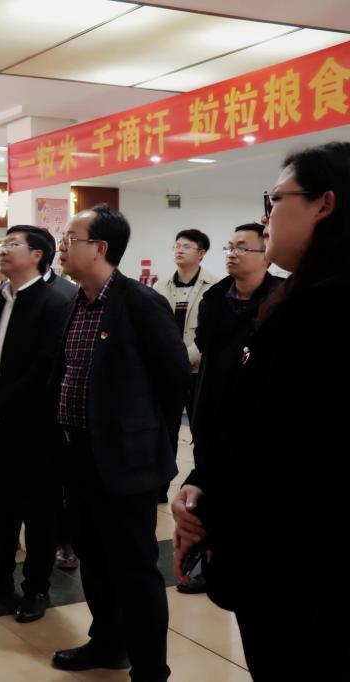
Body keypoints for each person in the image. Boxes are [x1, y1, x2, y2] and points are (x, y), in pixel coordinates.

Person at [173, 142, 350, 680]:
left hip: (297, 570)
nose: (267, 218)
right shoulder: (295, 299)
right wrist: (204, 481)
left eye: (275, 200)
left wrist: (209, 514)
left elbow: (279, 451)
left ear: (323, 204)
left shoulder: (320, 312)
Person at [50, 204, 188, 681]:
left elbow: (174, 381)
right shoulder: (76, 301)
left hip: (126, 461)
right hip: (79, 453)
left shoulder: (140, 303)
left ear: (101, 248)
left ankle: (150, 669)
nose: (62, 246)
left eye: (71, 238)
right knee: (94, 557)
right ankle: (108, 643)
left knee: (134, 567)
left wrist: (147, 442)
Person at [0, 225, 73, 624]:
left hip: (35, 427)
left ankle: (35, 588)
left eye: (13, 244)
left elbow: (46, 366)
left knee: (39, 511)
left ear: (37, 255)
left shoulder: (55, 301)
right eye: (3, 242)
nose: (3, 249)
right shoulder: (1, 298)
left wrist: (2, 406)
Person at [174, 223, 280, 596]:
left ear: (266, 255)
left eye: (242, 248)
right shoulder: (216, 297)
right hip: (212, 402)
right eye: (230, 247)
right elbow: (205, 346)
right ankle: (206, 559)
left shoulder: (282, 298)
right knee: (208, 476)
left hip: (254, 409)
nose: (233, 254)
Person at [153, 229, 218, 503]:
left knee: (201, 431)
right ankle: (159, 488)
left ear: (201, 253)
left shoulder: (215, 287)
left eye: (187, 246)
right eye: (176, 245)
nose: (179, 250)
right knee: (163, 430)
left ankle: (203, 485)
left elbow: (211, 334)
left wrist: (182, 359)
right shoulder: (160, 286)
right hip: (167, 372)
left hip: (197, 372)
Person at [35, 229, 81, 571]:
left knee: (59, 483)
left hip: (56, 405)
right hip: (17, 409)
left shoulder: (66, 294)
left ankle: (65, 542)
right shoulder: (7, 295)